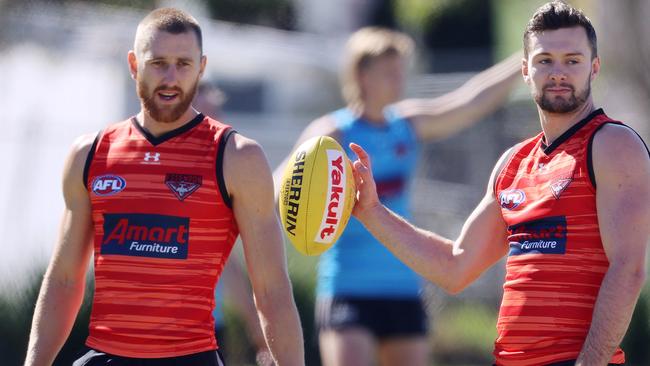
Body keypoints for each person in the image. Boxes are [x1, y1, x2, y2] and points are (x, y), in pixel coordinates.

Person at [349, 2, 650, 365]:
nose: (558, 72)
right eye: (545, 60)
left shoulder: (612, 143)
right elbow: (455, 266)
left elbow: (628, 268)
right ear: (525, 69)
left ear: (594, 67)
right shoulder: (512, 164)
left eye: (572, 60)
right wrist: (371, 212)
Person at [25, 8, 304, 366]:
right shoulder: (90, 153)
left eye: (183, 64)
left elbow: (272, 290)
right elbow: (64, 280)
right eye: (158, 63)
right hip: (106, 357)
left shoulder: (237, 157)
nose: (171, 78)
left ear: (201, 68)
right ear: (133, 64)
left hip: (190, 358)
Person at [274, 26, 521, 366]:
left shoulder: (406, 123)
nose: (399, 78)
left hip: (403, 285)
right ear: (362, 74)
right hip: (348, 287)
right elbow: (280, 186)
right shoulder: (330, 135)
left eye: (401, 69)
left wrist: (527, 56)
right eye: (389, 71)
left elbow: (470, 101)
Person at [193, 81, 273, 366]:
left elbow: (229, 266)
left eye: (216, 114)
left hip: (207, 332)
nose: (212, 125)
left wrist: (260, 333)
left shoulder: (223, 174)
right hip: (150, 333)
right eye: (202, 114)